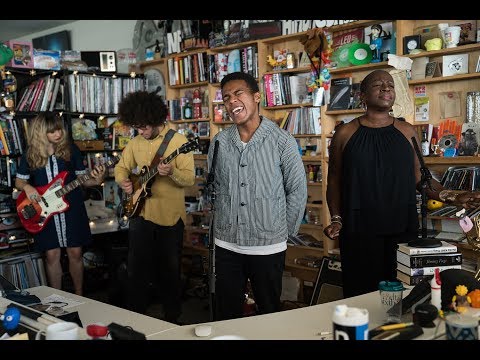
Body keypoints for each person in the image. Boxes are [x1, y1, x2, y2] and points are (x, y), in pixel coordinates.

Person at [323, 69, 480, 298]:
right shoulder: (345, 133)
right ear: (362, 96)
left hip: (401, 227)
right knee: (360, 293)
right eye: (378, 84)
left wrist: (452, 195)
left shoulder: (407, 131)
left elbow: (421, 179)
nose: (386, 88)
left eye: (390, 84)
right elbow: (334, 180)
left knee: (402, 293)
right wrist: (336, 218)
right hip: (359, 230)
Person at [209, 72, 307, 320]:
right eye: (226, 98)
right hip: (226, 244)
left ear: (256, 97)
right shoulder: (219, 142)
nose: (231, 101)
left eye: (238, 93)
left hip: (268, 246)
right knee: (226, 312)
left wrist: (281, 233)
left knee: (269, 312)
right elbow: (217, 187)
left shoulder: (282, 141)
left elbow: (297, 190)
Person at [114, 90, 195, 324]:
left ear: (157, 119)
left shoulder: (179, 142)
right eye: (137, 127)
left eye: (144, 127)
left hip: (170, 218)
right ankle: (135, 318)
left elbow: (189, 180)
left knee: (169, 271)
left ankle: (173, 318)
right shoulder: (135, 143)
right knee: (136, 270)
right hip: (140, 214)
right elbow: (121, 168)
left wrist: (172, 173)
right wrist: (124, 182)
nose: (141, 132)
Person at [15, 112, 105, 295]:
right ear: (41, 132)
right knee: (51, 255)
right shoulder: (31, 154)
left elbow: (83, 180)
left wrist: (97, 179)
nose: (58, 134)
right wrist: (28, 188)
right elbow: (19, 182)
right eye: (53, 131)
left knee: (76, 253)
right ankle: (57, 298)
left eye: (59, 130)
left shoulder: (70, 150)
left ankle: (80, 295)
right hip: (44, 211)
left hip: (72, 209)